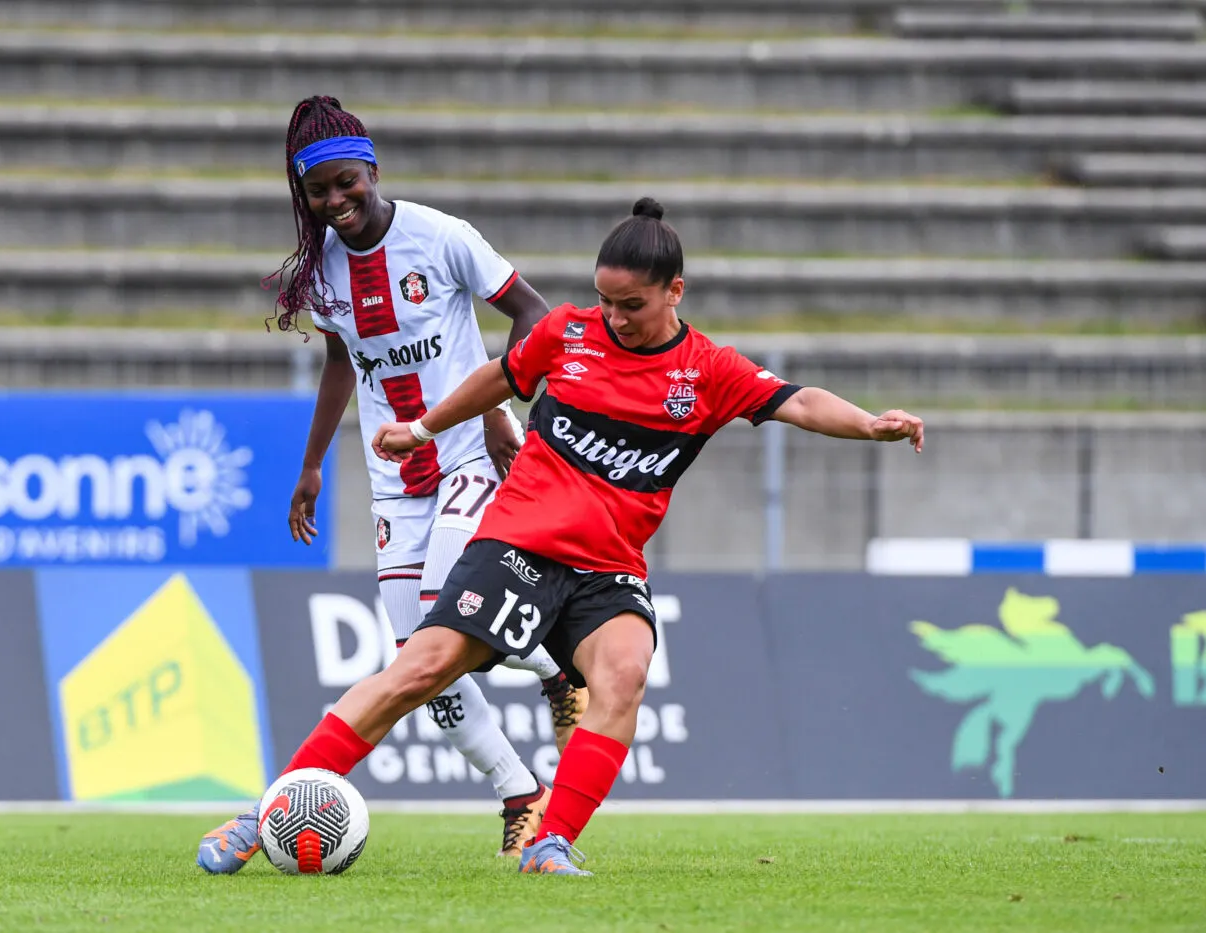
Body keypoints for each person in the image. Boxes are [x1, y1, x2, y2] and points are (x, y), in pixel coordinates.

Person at [262, 196, 925, 876]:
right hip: (518, 544)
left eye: (631, 305)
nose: (614, 318)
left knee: (626, 672)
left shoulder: (708, 372)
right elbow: (497, 376)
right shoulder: (567, 334)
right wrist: (421, 429)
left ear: (675, 291)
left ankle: (551, 843)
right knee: (421, 668)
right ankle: (266, 816)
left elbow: (800, 400)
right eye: (605, 301)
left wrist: (871, 424)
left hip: (607, 567)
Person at [197, 96, 587, 873]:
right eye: (320, 193)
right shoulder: (324, 274)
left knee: (445, 626)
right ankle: (519, 789)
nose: (337, 203)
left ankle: (555, 668)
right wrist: (312, 464)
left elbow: (537, 318)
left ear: (372, 171)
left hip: (465, 461)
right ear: (303, 197)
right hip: (393, 483)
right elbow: (343, 358)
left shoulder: (441, 238)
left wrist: (500, 408)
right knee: (421, 660)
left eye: (348, 184)